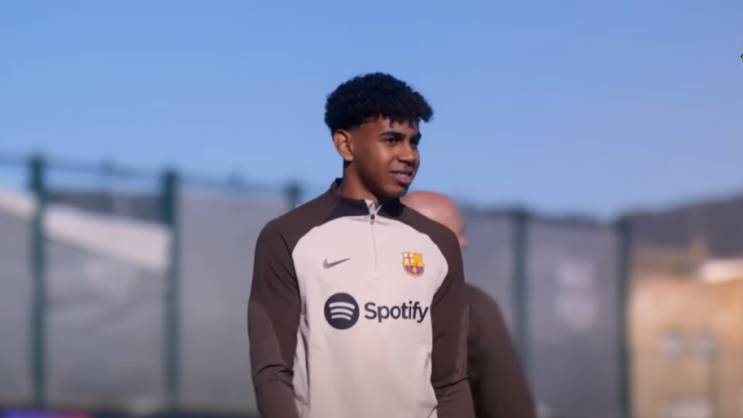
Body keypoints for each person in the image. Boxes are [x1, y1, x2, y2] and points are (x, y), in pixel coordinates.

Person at [248, 73, 474, 418]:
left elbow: (451, 381)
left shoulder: (439, 244)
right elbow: (272, 372)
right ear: (345, 145)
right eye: (392, 140)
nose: (408, 155)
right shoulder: (287, 236)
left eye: (414, 142)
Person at [403, 191, 537, 418]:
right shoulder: (473, 307)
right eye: (455, 233)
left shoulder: (361, 298)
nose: (464, 243)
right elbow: (511, 407)